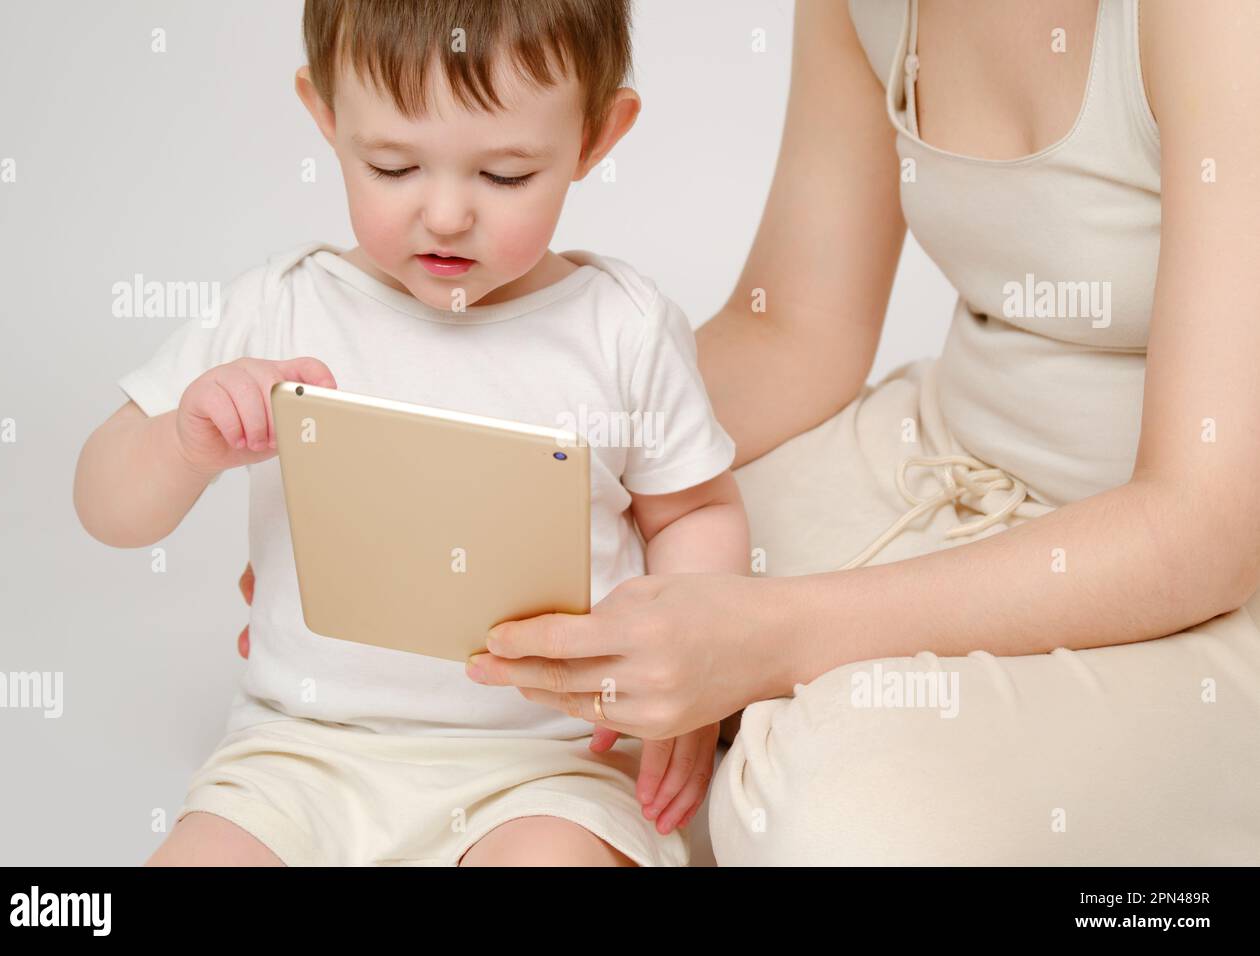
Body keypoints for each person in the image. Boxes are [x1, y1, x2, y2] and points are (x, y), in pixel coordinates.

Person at [451, 0, 1260, 864]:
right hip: (942, 460)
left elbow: (1207, 527)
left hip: (1198, 574)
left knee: (835, 819)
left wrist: (774, 636)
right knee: (582, 609)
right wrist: (534, 448)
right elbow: (797, 328)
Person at [75, 0, 750, 867]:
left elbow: (692, 514)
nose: (444, 216)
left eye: (505, 176)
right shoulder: (278, 307)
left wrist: (695, 676)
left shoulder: (620, 329)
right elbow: (106, 508)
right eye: (392, 166)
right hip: (302, 753)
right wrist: (183, 442)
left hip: (544, 769)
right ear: (325, 115)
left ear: (595, 137)